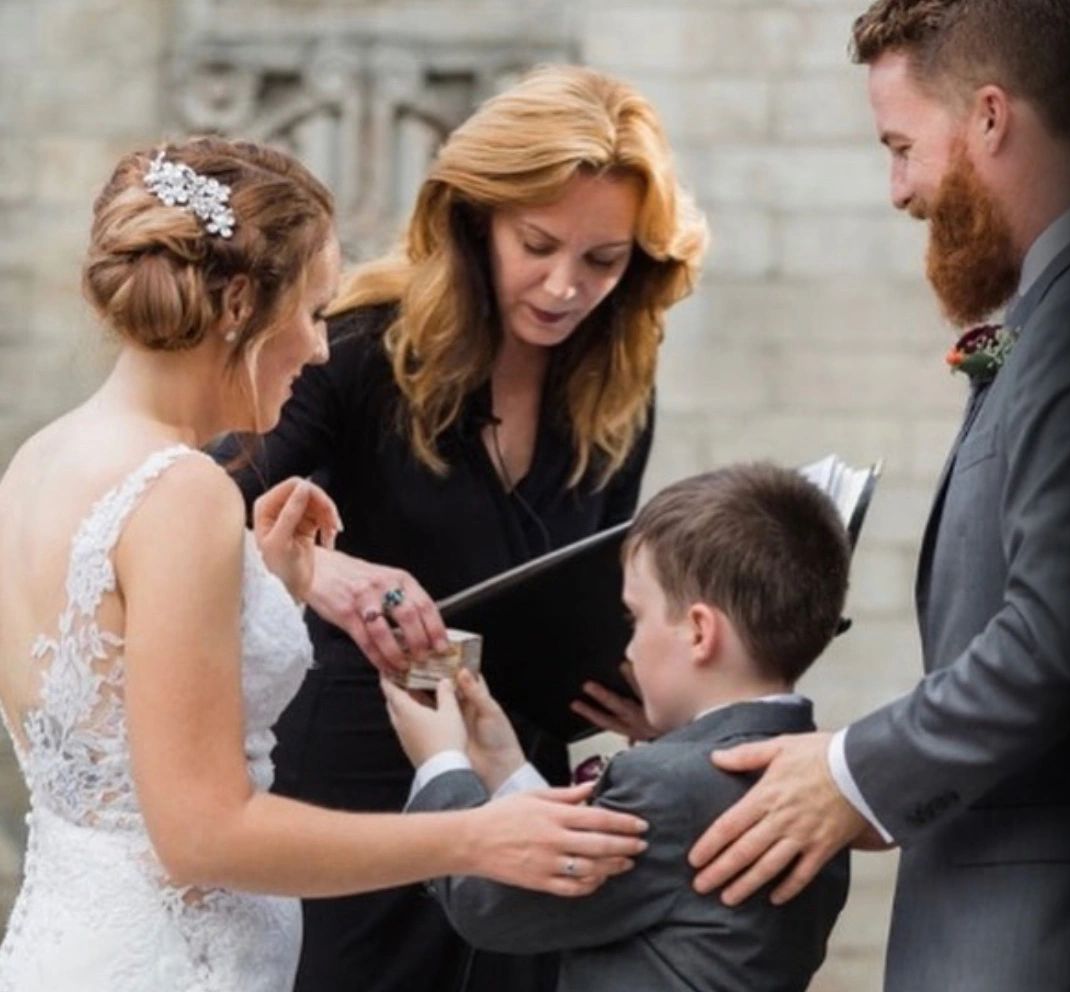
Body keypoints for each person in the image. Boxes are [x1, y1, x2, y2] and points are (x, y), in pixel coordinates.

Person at [0, 136, 650, 992]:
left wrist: (271, 580)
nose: (316, 349)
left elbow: (110, 707)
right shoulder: (183, 492)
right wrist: (480, 834)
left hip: (70, 942)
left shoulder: (43, 459)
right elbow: (201, 834)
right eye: (311, 312)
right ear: (239, 304)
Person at [208, 64, 707, 992]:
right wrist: (319, 572)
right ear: (474, 219)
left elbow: (593, 584)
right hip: (349, 782)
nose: (566, 287)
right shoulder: (356, 343)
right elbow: (184, 508)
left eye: (603, 261)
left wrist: (651, 698)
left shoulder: (617, 393)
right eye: (539, 245)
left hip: (519, 778)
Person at [683, 1, 1070, 989]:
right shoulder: (1054, 302)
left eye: (901, 146)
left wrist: (851, 776)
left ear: (992, 119)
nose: (899, 190)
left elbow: (1065, 629)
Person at [385, 462, 854, 992]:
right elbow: (594, 883)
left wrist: (441, 763)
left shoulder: (664, 784)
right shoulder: (813, 787)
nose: (627, 647)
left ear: (699, 632)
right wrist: (501, 763)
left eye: (634, 619)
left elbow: (488, 903)